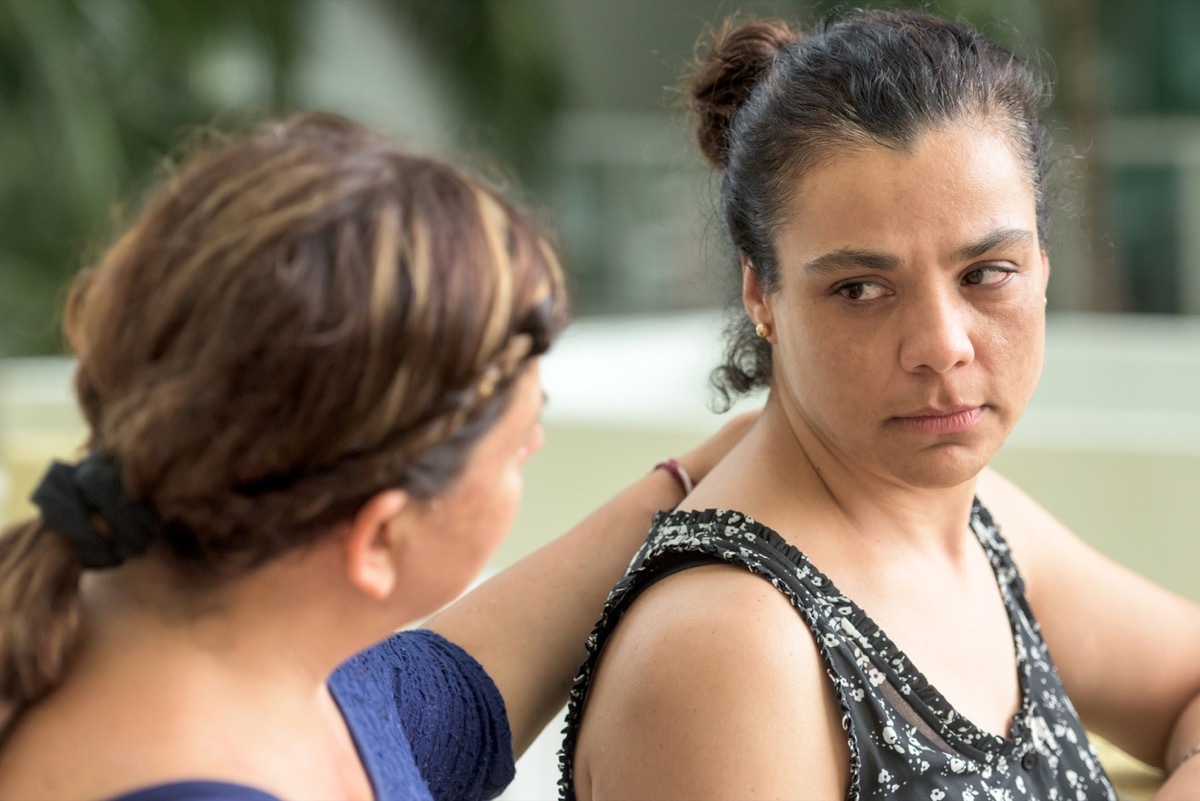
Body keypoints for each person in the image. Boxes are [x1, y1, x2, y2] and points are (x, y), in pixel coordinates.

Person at [0, 111, 753, 801]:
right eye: (516, 449)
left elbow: (431, 711)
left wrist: (695, 477)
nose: (534, 445)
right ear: (381, 538)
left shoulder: (211, 646)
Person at [560, 10, 1200, 801]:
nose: (941, 343)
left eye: (987, 272)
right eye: (861, 289)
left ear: (1042, 262)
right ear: (761, 289)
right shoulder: (730, 648)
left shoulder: (974, 525)